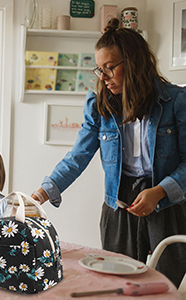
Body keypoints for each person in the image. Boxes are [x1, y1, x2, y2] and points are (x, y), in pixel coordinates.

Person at [31, 18, 186, 288]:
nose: (102, 77)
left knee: (164, 284)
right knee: (117, 282)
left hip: (166, 202)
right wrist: (42, 194)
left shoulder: (176, 101)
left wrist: (159, 191)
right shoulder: (99, 105)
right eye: (99, 69)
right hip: (119, 204)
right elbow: (77, 157)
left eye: (110, 68)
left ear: (134, 62)